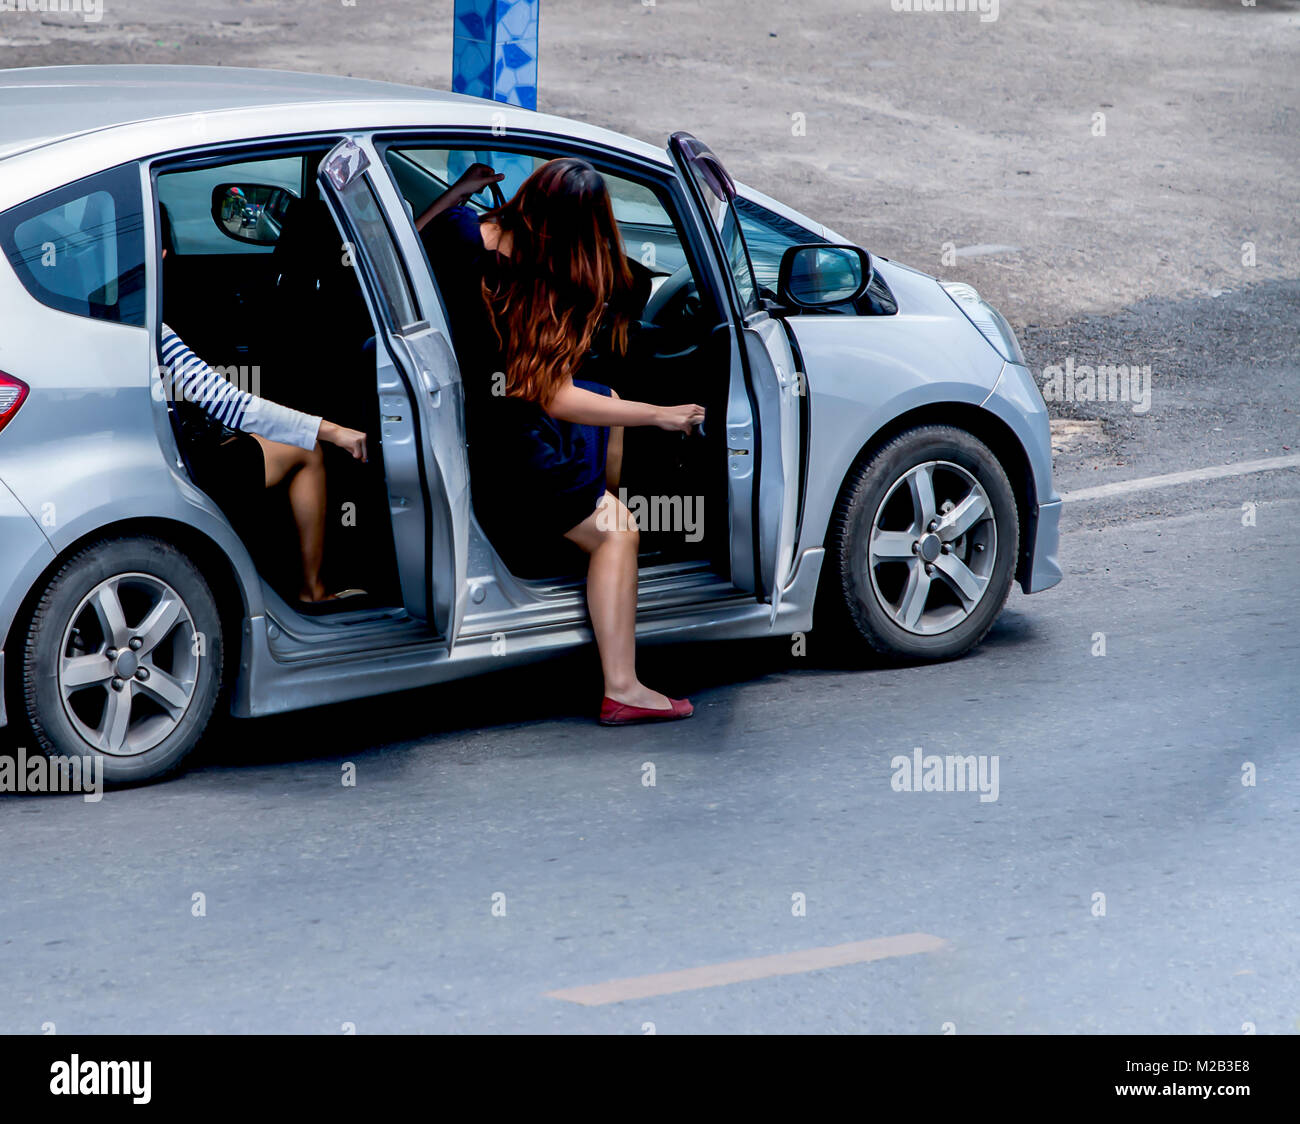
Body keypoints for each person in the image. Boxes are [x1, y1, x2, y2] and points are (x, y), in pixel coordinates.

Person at [416, 158, 704, 726]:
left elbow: (411, 240)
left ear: (528, 195)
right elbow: (552, 397)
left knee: (606, 405)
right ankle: (623, 686)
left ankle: (584, 545)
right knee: (620, 531)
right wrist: (660, 415)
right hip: (515, 447)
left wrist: (457, 194)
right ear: (586, 225)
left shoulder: (459, 232)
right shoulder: (547, 287)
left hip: (458, 420)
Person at [157, 206, 370, 610]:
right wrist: (335, 432)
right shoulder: (156, 334)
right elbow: (235, 406)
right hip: (182, 471)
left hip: (156, 459)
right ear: (163, 253)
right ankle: (314, 589)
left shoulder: (96, 318)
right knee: (307, 452)